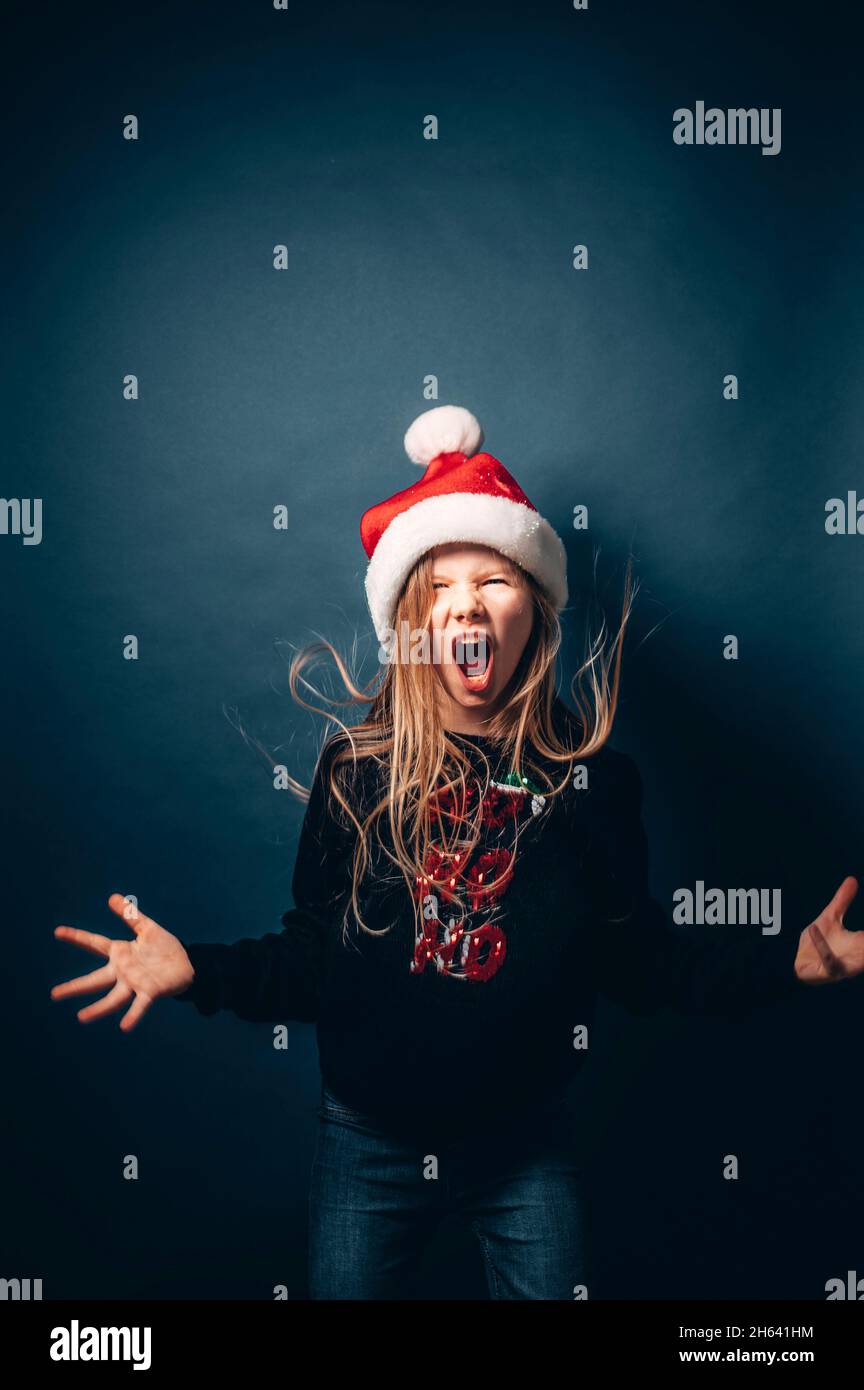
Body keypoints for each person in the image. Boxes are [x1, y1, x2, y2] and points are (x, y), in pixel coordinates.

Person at [51, 404, 863, 1300]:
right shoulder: (356, 773)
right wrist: (194, 970)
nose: (469, 602)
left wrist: (787, 961)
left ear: (535, 614)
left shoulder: (595, 787)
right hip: (367, 1144)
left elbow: (642, 963)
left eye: (496, 579)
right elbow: (312, 959)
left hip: (526, 1151)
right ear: (410, 620)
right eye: (440, 585)